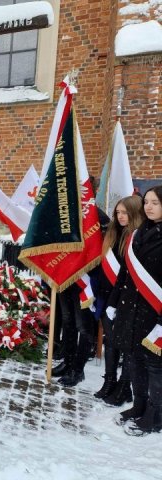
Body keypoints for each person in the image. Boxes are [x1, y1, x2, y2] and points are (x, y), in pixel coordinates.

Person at [107, 186, 162, 435]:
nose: (149, 207)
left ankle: (156, 414)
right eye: (147, 202)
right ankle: (139, 405)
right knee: (134, 359)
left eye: (155, 203)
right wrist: (113, 301)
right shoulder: (138, 233)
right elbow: (125, 273)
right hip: (132, 309)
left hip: (155, 312)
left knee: (154, 366)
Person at [94, 196, 144, 404]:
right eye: (118, 213)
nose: (121, 217)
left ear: (134, 214)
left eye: (125, 213)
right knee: (110, 341)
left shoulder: (137, 237)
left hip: (127, 298)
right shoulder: (112, 233)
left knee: (125, 344)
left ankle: (125, 386)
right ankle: (110, 381)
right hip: (109, 296)